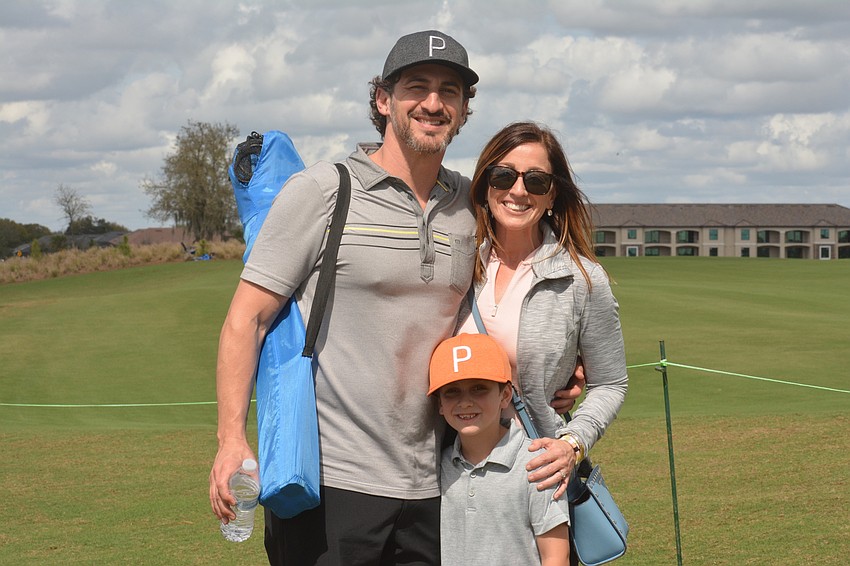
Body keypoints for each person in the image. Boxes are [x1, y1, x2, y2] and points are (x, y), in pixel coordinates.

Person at [209, 29, 480, 565]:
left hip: (441, 483)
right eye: (415, 87)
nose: (433, 102)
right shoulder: (323, 191)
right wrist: (230, 441)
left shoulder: (472, 205)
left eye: (450, 90)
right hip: (332, 484)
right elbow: (247, 320)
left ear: (466, 109)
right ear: (383, 100)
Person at [458, 121, 628, 503]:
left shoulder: (582, 280)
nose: (518, 191)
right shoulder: (457, 265)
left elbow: (611, 383)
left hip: (536, 479)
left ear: (552, 195)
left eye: (536, 181)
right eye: (503, 176)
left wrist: (572, 444)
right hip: (451, 474)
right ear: (485, 186)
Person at [431, 333, 571, 566]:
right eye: (452, 391)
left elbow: (556, 556)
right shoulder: (439, 464)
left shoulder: (537, 464)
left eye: (479, 388)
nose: (465, 402)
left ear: (505, 395)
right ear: (440, 405)